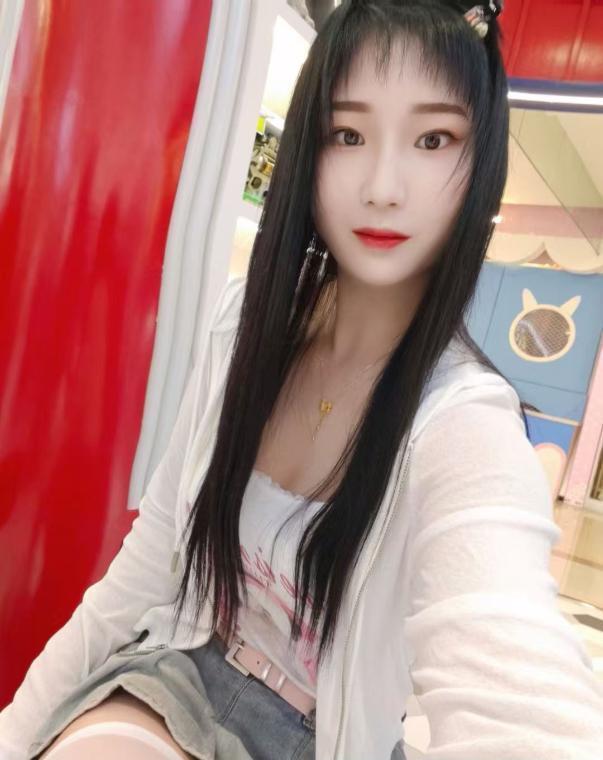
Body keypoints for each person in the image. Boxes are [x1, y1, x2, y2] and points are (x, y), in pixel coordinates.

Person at [2, 1, 603, 759]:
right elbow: (145, 570)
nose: (383, 186)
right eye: (347, 134)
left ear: (478, 163)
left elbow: (520, 694)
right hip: (177, 674)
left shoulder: (462, 424)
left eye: (432, 139)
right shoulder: (244, 327)